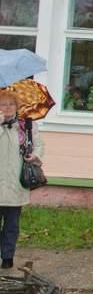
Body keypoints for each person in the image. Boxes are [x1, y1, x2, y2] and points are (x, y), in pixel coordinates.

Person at [0, 90, 44, 269]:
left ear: (17, 106)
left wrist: (35, 155)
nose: (8, 107)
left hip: (16, 183)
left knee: (12, 224)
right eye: (3, 104)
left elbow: (39, 144)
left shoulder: (26, 125)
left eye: (11, 104)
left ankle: (7, 257)